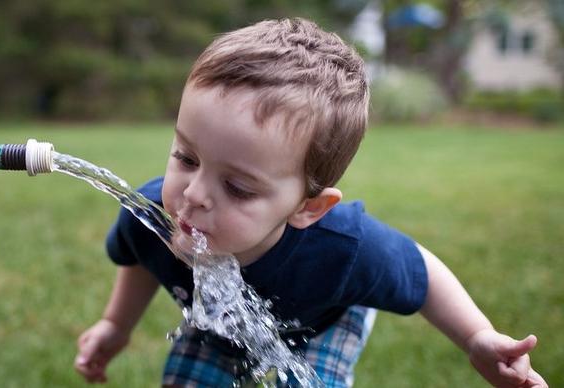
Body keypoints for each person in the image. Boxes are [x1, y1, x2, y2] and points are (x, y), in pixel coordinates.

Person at [73, 18, 548, 387]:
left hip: (323, 318)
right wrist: (116, 324)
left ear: (308, 207)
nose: (194, 195)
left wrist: (477, 337)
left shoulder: (344, 251)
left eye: (237, 188)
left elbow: (423, 276)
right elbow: (140, 256)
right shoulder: (154, 213)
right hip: (221, 318)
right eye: (186, 157)